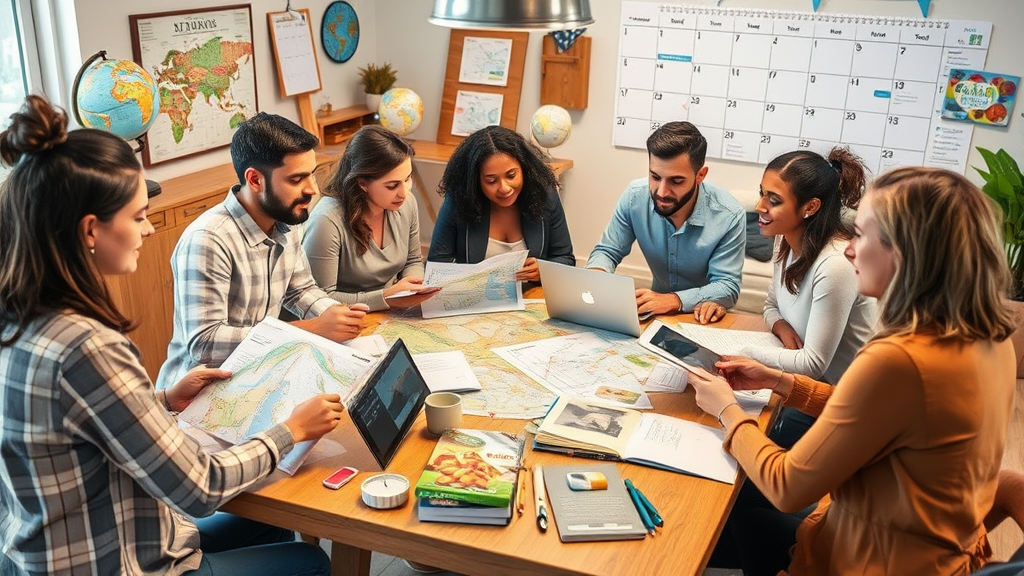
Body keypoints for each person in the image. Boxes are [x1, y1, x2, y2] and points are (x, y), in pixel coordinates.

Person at [0, 94, 340, 576]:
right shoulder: (85, 345)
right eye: (138, 217)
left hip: (57, 548)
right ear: (91, 230)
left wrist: (161, 399)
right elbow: (200, 488)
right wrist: (293, 430)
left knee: (271, 527)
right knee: (307, 561)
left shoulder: (22, 316)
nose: (148, 230)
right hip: (113, 562)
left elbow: (72, 424)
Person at [690, 167, 1017, 575]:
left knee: (735, 499)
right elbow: (882, 415)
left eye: (860, 235)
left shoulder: (900, 360)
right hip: (933, 551)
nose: (848, 250)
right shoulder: (990, 339)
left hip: (867, 561)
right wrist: (781, 381)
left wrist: (727, 410)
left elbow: (788, 486)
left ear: (905, 253)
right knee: (745, 508)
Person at [157, 112, 367, 389]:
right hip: (200, 390)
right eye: (296, 179)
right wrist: (311, 330)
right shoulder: (208, 239)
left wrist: (339, 316)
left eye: (312, 175)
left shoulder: (287, 220)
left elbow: (300, 290)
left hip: (258, 370)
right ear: (255, 180)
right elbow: (204, 344)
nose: (312, 190)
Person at [745, 148, 878, 448]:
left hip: (839, 404)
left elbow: (813, 363)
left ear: (810, 207)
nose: (760, 206)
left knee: (757, 467)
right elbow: (770, 305)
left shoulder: (836, 264)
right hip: (806, 388)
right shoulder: (785, 239)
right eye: (762, 194)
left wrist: (745, 352)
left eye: (774, 200)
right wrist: (782, 327)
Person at [586, 121, 744, 324]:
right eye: (655, 176)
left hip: (703, 317)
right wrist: (596, 277)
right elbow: (607, 251)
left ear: (700, 175)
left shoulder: (729, 215)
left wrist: (673, 300)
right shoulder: (634, 197)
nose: (661, 192)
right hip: (655, 314)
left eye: (676, 181)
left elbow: (727, 286)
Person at [303, 125, 438, 312]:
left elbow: (413, 260)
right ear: (362, 183)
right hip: (346, 318)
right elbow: (319, 298)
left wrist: (414, 288)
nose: (404, 192)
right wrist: (387, 298)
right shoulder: (327, 221)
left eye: (407, 179)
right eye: (392, 185)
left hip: (394, 311)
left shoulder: (406, 204)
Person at [427, 125, 575, 282]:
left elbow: (565, 258)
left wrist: (545, 270)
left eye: (511, 176)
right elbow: (437, 265)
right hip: (476, 302)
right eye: (491, 181)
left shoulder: (545, 195)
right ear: (475, 181)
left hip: (530, 298)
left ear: (524, 169)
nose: (504, 188)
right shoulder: (459, 200)